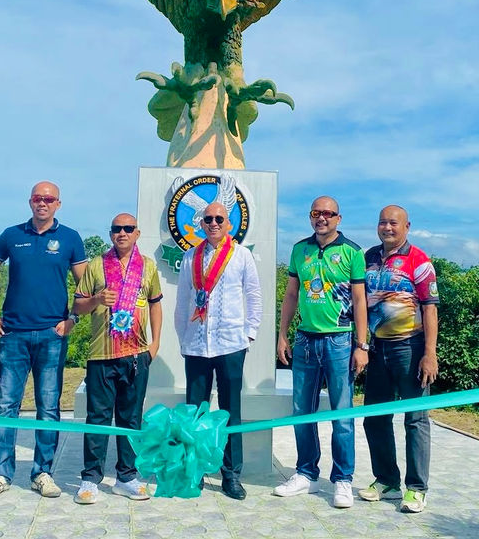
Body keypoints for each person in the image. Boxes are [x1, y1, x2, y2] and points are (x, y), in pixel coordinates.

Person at [0, 181, 88, 501]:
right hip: (12, 334)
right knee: (6, 406)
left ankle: (42, 472)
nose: (43, 203)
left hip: (52, 336)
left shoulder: (70, 238)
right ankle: (0, 473)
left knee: (49, 408)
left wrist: (74, 320)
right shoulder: (12, 235)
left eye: (49, 199)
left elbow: (86, 285)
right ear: (30, 202)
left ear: (58, 204)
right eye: (38, 198)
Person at [275, 196, 367, 509]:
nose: (322, 218)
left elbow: (360, 300)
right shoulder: (299, 249)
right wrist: (282, 335)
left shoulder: (352, 252)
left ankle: (343, 479)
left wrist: (362, 345)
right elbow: (290, 294)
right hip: (305, 339)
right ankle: (306, 474)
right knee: (302, 411)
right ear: (310, 217)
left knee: (342, 415)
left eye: (328, 213)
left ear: (338, 218)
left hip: (340, 341)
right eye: (316, 213)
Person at [69, 213, 163, 504]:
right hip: (102, 354)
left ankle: (127, 476)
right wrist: (96, 300)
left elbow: (155, 305)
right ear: (111, 234)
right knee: (97, 417)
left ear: (137, 233)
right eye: (116, 229)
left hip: (136, 354)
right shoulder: (96, 265)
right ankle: (90, 479)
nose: (122, 233)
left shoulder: (148, 266)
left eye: (128, 228)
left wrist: (155, 344)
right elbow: (78, 305)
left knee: (130, 417)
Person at [174, 201, 262, 500]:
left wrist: (249, 332)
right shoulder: (190, 256)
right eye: (208, 219)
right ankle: (195, 471)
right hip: (197, 344)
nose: (213, 223)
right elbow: (183, 299)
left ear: (228, 224)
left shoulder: (241, 255)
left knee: (229, 412)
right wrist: (184, 338)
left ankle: (231, 474)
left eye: (219, 219)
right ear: (202, 223)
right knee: (194, 413)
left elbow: (253, 294)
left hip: (230, 344)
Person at [359, 204, 439, 514]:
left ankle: (416, 488)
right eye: (382, 222)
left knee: (415, 420)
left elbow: (430, 308)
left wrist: (429, 354)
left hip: (411, 347)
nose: (387, 228)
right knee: (375, 418)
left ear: (407, 226)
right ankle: (387, 480)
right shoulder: (368, 258)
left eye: (393, 223)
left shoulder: (420, 261)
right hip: (376, 349)